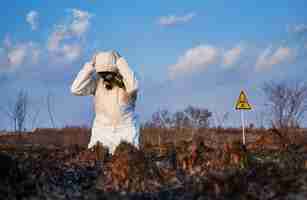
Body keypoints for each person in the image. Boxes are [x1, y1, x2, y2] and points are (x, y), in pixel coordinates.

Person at [71, 50, 139, 154]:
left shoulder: (127, 80)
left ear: (116, 70)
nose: (105, 76)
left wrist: (120, 61)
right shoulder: (97, 81)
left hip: (126, 130)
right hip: (101, 131)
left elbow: (133, 87)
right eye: (102, 74)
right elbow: (75, 89)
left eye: (108, 73)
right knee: (95, 165)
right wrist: (90, 65)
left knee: (127, 163)